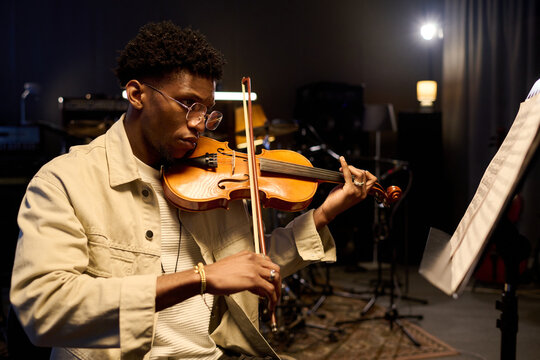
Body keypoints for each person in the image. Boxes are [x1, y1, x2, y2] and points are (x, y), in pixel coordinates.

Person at [10, 21, 377, 360]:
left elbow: (250, 266)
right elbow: (44, 309)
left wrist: (326, 212)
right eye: (189, 105)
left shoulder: (212, 179)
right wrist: (201, 279)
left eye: (208, 112)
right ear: (137, 94)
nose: (200, 125)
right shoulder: (65, 180)